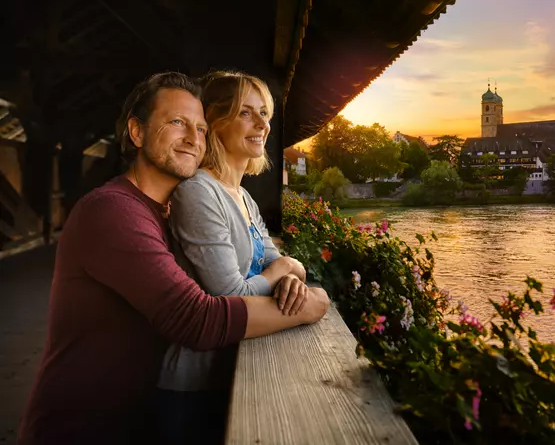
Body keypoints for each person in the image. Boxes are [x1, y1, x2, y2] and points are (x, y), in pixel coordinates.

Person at [17, 72, 329, 445]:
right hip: (84, 425)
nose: (193, 138)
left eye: (200, 127)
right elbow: (196, 318)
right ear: (137, 132)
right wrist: (310, 305)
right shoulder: (113, 211)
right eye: (177, 123)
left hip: (136, 416)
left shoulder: (167, 208)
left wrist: (286, 275)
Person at [155, 71, 309, 441]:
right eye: (246, 113)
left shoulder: (243, 196)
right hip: (195, 384)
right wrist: (280, 272)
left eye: (264, 113)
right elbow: (229, 293)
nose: (262, 124)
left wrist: (290, 270)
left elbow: (286, 265)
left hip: (235, 372)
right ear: (215, 122)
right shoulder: (198, 192)